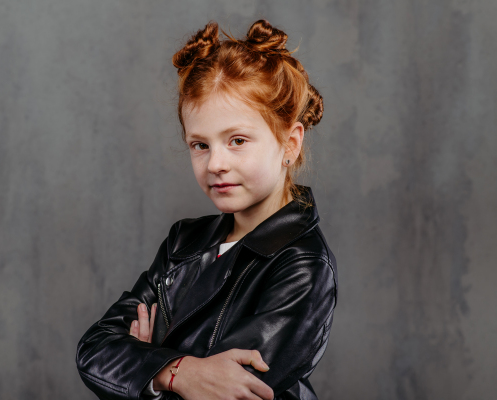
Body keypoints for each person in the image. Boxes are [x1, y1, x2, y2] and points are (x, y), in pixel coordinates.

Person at [76, 19, 338, 400]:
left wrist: (147, 362)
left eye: (237, 140)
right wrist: (181, 371)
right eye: (200, 145)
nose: (215, 163)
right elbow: (94, 349)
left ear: (289, 143)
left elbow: (228, 392)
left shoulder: (303, 266)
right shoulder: (184, 240)